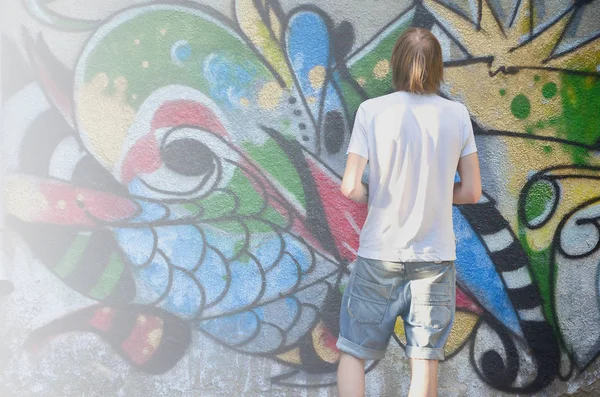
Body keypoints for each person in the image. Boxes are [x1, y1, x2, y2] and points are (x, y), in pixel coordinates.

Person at [336, 27, 482, 397]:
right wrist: (431, 192)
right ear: (437, 67)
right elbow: (471, 191)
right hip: (434, 259)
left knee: (353, 352)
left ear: (396, 63)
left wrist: (383, 191)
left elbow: (350, 186)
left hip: (378, 256)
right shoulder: (457, 115)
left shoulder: (372, 111)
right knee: (424, 360)